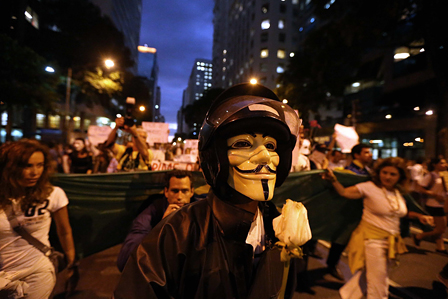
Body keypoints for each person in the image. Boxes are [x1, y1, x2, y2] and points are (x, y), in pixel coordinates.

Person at [114, 83, 302, 298]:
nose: (264, 156)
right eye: (243, 143)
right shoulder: (178, 232)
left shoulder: (281, 225)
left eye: (270, 146)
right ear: (215, 158)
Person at [322, 157, 433, 299]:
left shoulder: (397, 192)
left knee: (368, 276)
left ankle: (347, 295)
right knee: (378, 282)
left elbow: (397, 213)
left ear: (400, 177)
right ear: (378, 172)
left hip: (391, 241)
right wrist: (333, 180)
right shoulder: (369, 187)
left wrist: (419, 216)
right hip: (372, 241)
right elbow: (344, 192)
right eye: (384, 172)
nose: (387, 176)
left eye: (393, 174)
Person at [0, 140, 76, 299]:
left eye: (40, 165)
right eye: (27, 166)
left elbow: (64, 231)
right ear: (10, 167)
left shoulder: (53, 194)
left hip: (38, 270)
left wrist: (71, 263)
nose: (35, 172)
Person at [116, 170, 195, 272]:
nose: (179, 197)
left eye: (184, 191)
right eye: (175, 191)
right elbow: (124, 261)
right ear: (166, 192)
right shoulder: (152, 212)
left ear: (192, 192)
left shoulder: (199, 209)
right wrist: (161, 228)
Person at [325, 143, 373, 280]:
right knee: (340, 240)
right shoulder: (349, 172)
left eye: (369, 152)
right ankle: (331, 265)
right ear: (356, 155)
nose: (369, 155)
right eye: (366, 152)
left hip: (362, 214)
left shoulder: (367, 171)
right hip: (348, 213)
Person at [413, 157, 448, 253]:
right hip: (434, 204)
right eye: (441, 163)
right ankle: (419, 236)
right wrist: (434, 194)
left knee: (439, 228)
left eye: (445, 163)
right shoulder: (431, 175)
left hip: (443, 204)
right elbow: (420, 188)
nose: (445, 165)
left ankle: (440, 247)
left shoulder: (445, 175)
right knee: (441, 228)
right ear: (434, 165)